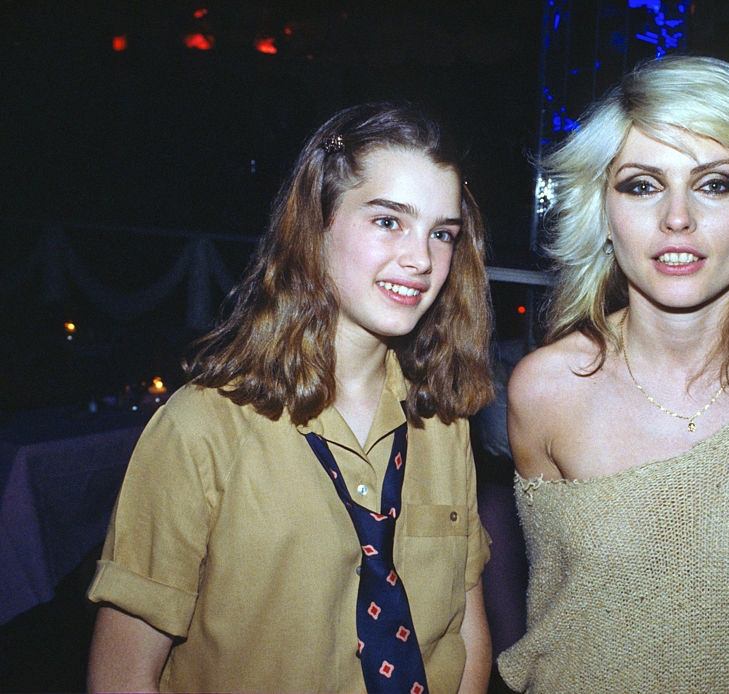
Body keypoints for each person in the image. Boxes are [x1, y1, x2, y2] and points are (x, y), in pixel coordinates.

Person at [86, 102, 495, 693]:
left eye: (441, 233)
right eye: (388, 221)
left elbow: (466, 637)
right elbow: (122, 676)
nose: (420, 258)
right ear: (316, 222)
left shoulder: (443, 423)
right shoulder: (202, 429)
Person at [496, 56, 729, 693]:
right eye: (642, 185)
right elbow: (554, 607)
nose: (677, 218)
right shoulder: (546, 389)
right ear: (603, 212)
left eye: (716, 184)